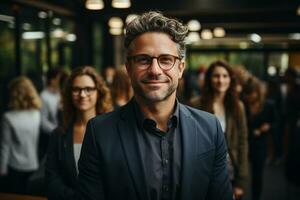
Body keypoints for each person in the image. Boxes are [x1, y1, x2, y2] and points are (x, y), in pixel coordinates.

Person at [78, 11, 233, 200]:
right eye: (143, 59)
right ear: (128, 68)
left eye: (166, 60)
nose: (154, 70)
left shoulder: (210, 128)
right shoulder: (99, 132)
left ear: (181, 68)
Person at [46, 66, 112, 200]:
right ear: (69, 93)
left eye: (88, 89)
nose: (82, 94)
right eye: (76, 89)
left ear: (98, 92)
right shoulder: (59, 134)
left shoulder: (112, 130)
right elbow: (52, 179)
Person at [198, 60, 249, 199]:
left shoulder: (237, 106)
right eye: (216, 76)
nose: (221, 80)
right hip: (204, 171)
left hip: (231, 170)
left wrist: (241, 181)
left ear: (230, 79)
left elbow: (243, 143)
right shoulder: (197, 104)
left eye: (225, 76)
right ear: (209, 79)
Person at [0, 76, 41, 194]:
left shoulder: (8, 117)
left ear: (14, 93)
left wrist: (2, 170)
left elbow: (4, 146)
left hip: (14, 167)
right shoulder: (36, 114)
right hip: (33, 165)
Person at [242, 77, 278, 200]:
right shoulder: (242, 104)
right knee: (240, 175)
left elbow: (276, 124)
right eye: (246, 94)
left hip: (260, 145)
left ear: (258, 92)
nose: (249, 97)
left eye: (251, 94)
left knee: (257, 176)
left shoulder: (268, 105)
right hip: (245, 143)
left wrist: (267, 127)